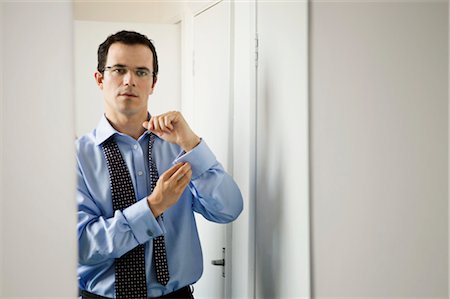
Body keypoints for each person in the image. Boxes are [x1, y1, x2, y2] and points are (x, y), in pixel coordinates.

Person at [77, 30, 243, 299]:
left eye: (141, 72)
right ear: (100, 79)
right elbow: (81, 246)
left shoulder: (180, 147)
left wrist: (192, 143)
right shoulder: (75, 158)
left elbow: (228, 209)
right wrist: (153, 207)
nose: (129, 80)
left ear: (153, 83)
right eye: (119, 70)